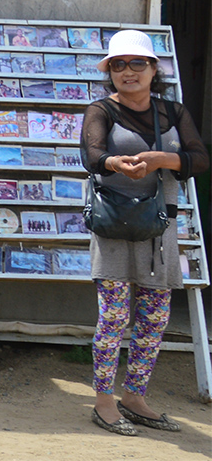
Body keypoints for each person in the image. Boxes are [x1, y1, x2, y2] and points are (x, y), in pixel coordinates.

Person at [80, 29, 207, 436]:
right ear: (110, 72)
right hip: (113, 225)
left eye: (138, 63)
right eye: (119, 65)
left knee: (154, 319)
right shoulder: (100, 109)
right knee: (114, 317)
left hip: (159, 228)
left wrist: (161, 159)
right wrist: (117, 164)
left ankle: (134, 397)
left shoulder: (174, 111)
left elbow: (200, 159)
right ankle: (103, 401)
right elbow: (92, 155)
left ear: (154, 68)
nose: (128, 72)